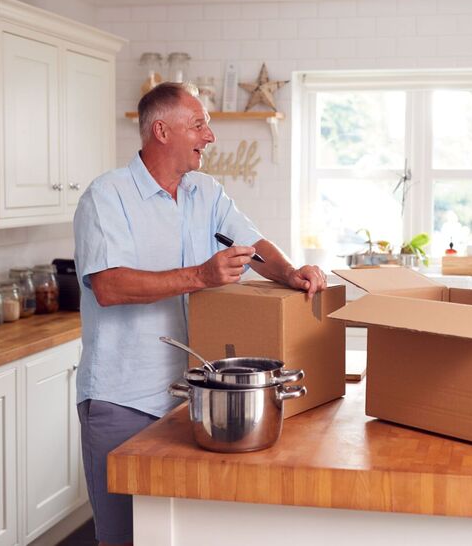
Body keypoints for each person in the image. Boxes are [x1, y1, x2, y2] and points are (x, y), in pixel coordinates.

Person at [73, 82, 327, 546]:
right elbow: (108, 287)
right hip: (121, 401)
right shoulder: (105, 197)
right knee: (125, 537)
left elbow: (250, 246)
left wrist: (289, 273)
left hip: (189, 401)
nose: (209, 135)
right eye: (198, 124)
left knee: (181, 532)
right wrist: (201, 276)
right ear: (161, 130)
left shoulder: (204, 192)